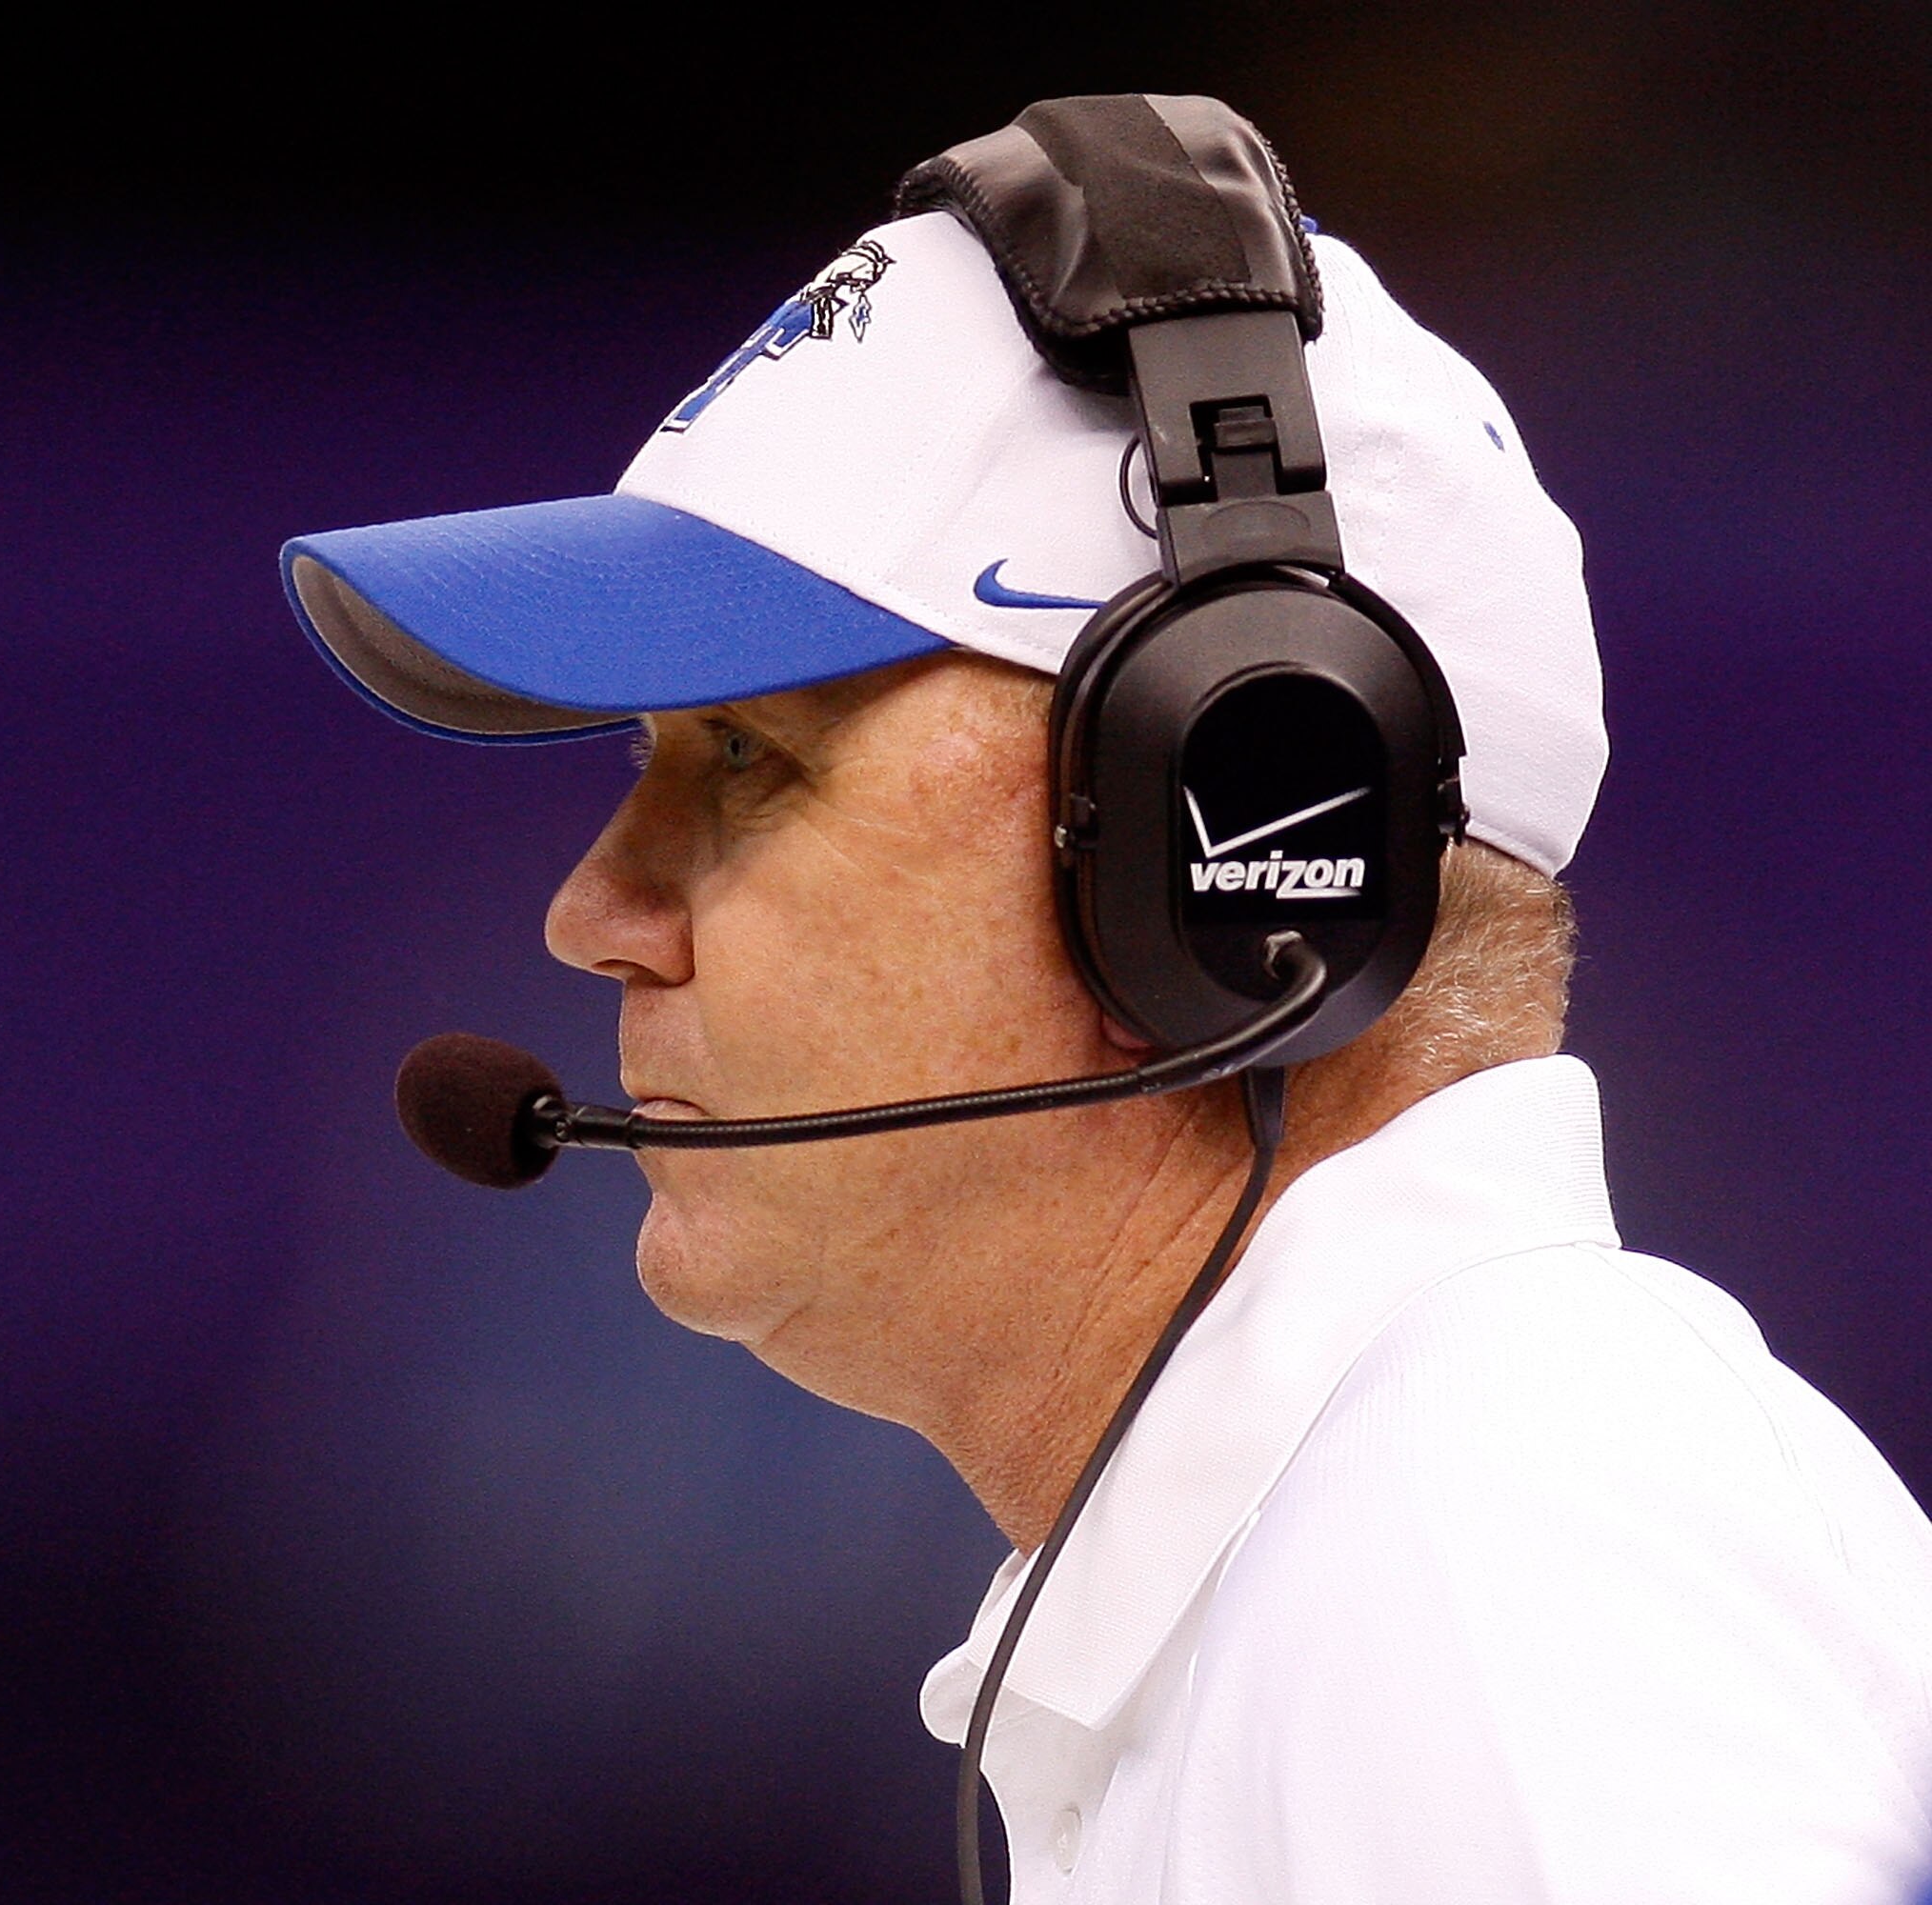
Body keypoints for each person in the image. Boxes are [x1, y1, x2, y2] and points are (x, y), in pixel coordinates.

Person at [278, 98, 1932, 1904]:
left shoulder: (1496, 1547)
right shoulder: (1357, 1558)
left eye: (747, 759)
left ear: (1215, 844)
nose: (592, 913)